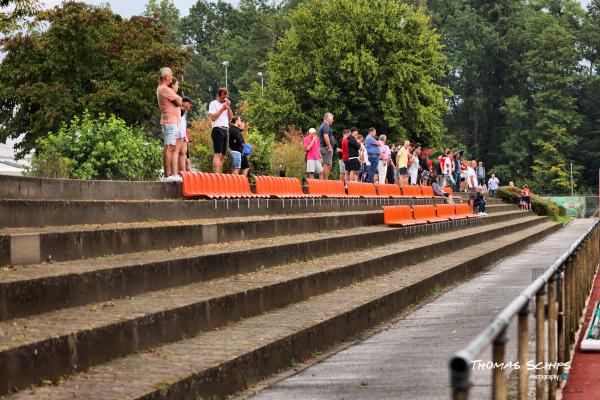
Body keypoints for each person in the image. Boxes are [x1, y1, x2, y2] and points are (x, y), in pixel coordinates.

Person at [156, 67, 183, 182]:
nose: (172, 77)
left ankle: (169, 174)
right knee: (169, 147)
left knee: (170, 147)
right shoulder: (165, 89)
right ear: (166, 76)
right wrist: (178, 98)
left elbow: (178, 101)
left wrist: (178, 99)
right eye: (171, 75)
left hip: (171, 122)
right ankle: (168, 175)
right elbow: (180, 101)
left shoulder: (163, 89)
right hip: (170, 122)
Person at [208, 88, 233, 173]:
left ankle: (219, 173)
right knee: (217, 153)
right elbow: (213, 118)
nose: (225, 99)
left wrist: (228, 107)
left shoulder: (226, 105)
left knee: (223, 155)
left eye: (226, 97)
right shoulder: (213, 103)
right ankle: (216, 174)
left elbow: (231, 118)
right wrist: (223, 108)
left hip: (225, 130)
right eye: (223, 97)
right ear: (219, 95)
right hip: (217, 129)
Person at [179, 95, 193, 172]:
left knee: (187, 160)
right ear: (184, 103)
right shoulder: (180, 110)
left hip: (184, 137)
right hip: (179, 136)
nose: (190, 105)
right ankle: (183, 174)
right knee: (181, 155)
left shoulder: (185, 112)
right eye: (189, 103)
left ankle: (186, 174)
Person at [319, 113, 335, 179]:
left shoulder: (324, 125)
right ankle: (325, 182)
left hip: (325, 148)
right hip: (326, 148)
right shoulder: (325, 125)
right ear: (328, 119)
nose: (332, 120)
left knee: (328, 165)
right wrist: (329, 146)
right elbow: (326, 136)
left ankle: (324, 181)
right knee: (327, 165)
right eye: (332, 119)